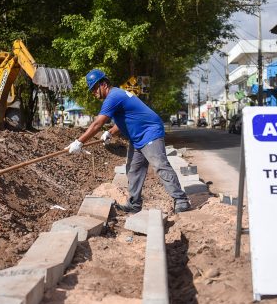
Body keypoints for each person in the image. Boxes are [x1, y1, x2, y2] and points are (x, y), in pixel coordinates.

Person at [66, 69, 191, 214]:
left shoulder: (113, 97)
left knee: (160, 165)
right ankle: (134, 204)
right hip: (137, 136)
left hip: (149, 132)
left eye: (94, 88)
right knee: (133, 169)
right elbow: (128, 118)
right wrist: (110, 132)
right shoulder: (117, 95)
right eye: (92, 89)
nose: (93, 92)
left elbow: (97, 124)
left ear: (104, 84)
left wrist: (79, 142)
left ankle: (181, 200)